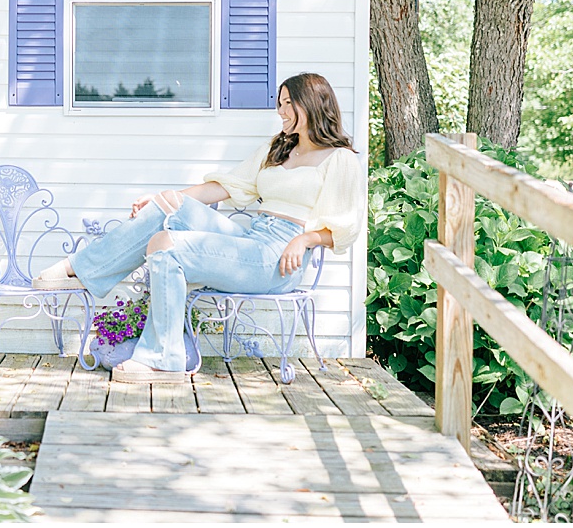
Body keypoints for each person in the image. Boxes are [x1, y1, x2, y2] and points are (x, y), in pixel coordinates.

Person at [32, 72, 366, 383]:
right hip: (253, 240)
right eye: (279, 104)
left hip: (278, 258)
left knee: (169, 246)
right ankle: (82, 267)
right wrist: (162, 199)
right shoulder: (278, 149)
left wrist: (306, 239)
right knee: (168, 207)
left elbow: (347, 225)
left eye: (287, 103)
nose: (280, 111)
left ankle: (164, 359)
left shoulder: (338, 158)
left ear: (311, 103)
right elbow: (226, 186)